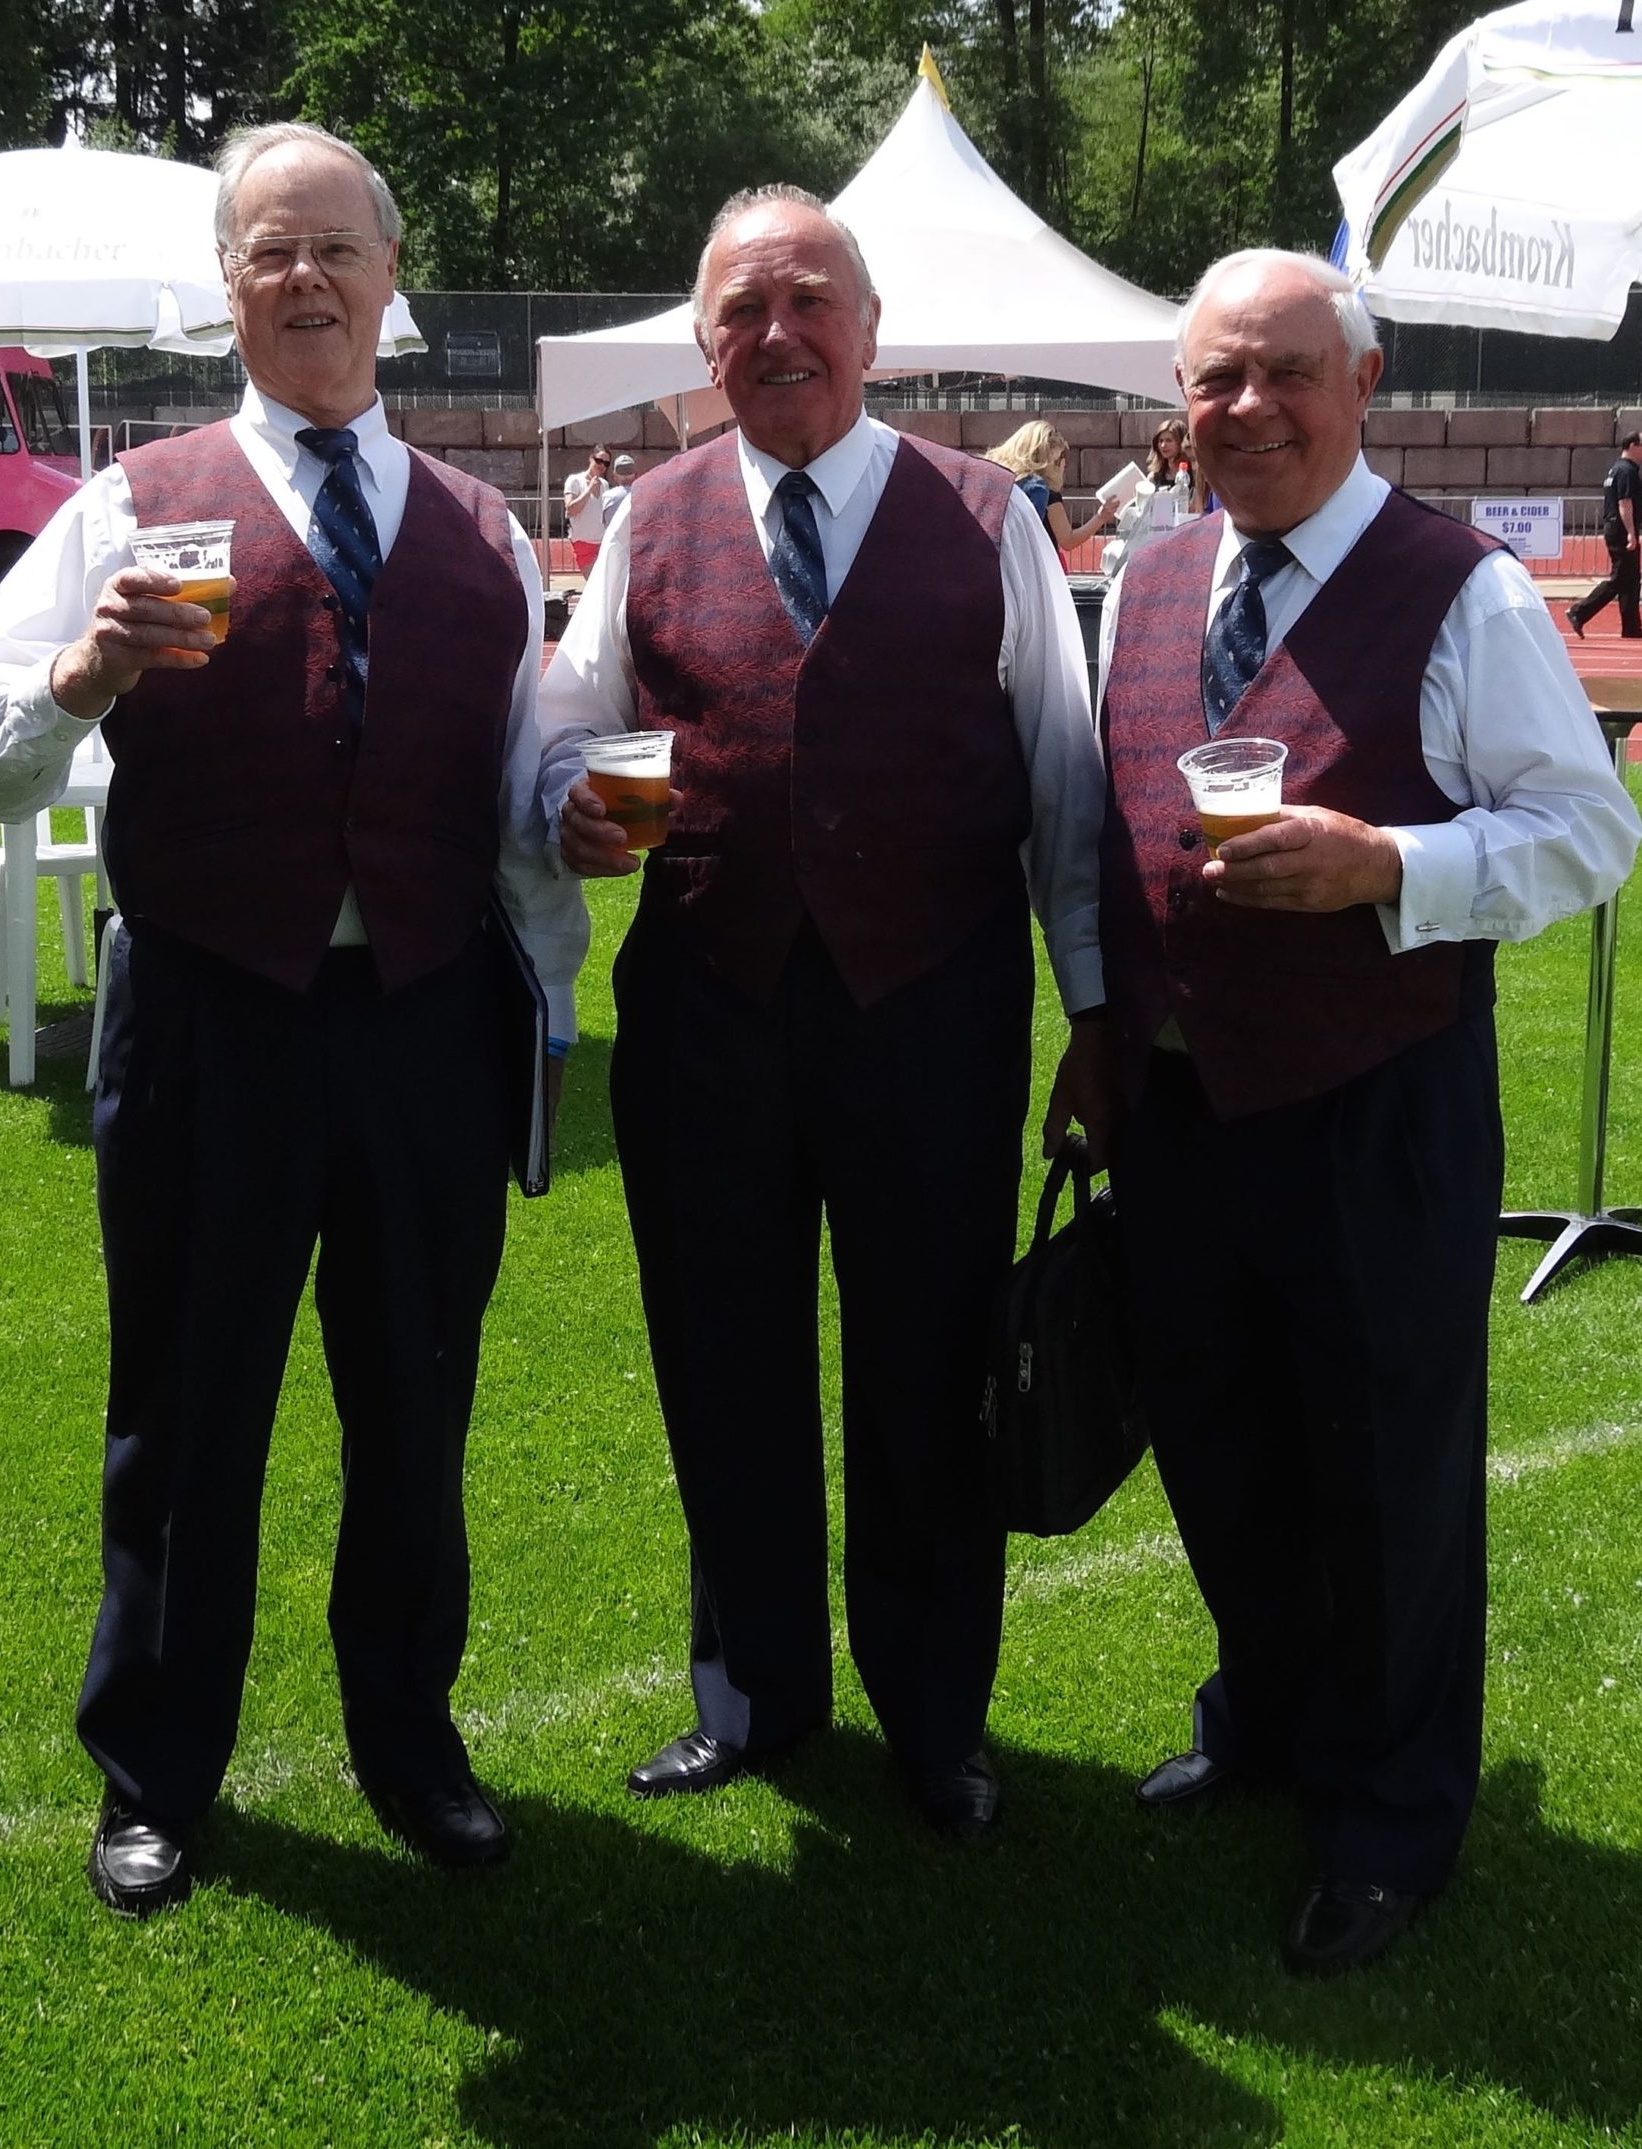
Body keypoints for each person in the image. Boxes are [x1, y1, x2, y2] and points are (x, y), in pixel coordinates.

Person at [0, 121, 584, 1918]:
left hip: (424, 1028)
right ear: (228, 287)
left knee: (414, 1406)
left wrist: (558, 949)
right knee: (187, 1413)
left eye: (336, 250)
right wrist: (87, 670)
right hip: (214, 1015)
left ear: (394, 279)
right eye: (268, 253)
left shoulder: (481, 528)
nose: (305, 280)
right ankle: (155, 1768)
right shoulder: (133, 497)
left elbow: (516, 787)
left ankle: (410, 1739)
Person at [1069, 250, 1641, 1975]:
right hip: (1180, 1101)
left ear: (1363, 382)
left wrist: (1394, 861)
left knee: (1385, 1470)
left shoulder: (1461, 591)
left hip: (1374, 1098)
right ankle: (1269, 1714)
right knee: (1220, 1438)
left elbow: (1587, 830)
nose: (1244, 410)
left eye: (1282, 374)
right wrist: (1100, 1034)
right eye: (1214, 381)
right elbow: (1103, 827)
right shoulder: (1147, 579)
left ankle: (1391, 1814)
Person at [536, 185, 1105, 1839]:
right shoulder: (649, 515)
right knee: (724, 1361)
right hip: (708, 1005)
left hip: (930, 1010)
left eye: (809, 302)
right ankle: (757, 1693)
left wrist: (1097, 1017)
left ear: (870, 329)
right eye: (739, 311)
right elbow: (568, 719)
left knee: (929, 1364)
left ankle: (938, 1719)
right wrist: (572, 792)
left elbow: (1066, 788)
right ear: (703, 342)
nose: (775, 334)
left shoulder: (990, 515)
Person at [1563, 431, 1642, 640]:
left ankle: (1631, 626)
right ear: (1632, 446)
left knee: (1631, 579)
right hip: (1620, 529)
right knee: (1620, 578)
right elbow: (1625, 503)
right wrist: (1631, 533)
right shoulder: (1626, 471)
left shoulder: (1618, 469)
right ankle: (1579, 611)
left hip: (1616, 528)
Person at [984, 419, 1117, 551]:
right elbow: (1068, 540)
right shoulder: (1043, 491)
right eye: (1057, 460)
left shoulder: (996, 480)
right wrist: (1101, 517)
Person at [1105, 416, 1195, 573]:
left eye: (1169, 440)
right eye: (1160, 441)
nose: (1163, 445)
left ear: (1180, 442)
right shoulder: (1154, 476)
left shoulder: (1193, 475)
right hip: (1158, 538)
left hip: (1185, 536)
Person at [564, 446, 611, 572]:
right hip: (583, 542)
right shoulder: (574, 480)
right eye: (599, 461)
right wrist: (589, 489)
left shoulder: (605, 484)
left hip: (602, 543)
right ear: (591, 458)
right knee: (595, 586)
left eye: (606, 463)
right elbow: (570, 509)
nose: (602, 466)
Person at [602, 450, 637, 528]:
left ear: (614, 475)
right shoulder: (643, 494)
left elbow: (604, 524)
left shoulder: (607, 497)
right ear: (635, 474)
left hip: (614, 539)